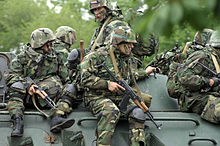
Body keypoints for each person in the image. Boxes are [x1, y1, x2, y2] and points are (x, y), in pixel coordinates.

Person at [80, 26, 155, 146]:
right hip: (96, 97)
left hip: (119, 97)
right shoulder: (97, 56)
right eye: (128, 44)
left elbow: (131, 75)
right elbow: (84, 78)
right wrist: (106, 84)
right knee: (111, 111)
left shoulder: (128, 59)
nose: (131, 47)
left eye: (132, 44)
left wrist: (145, 72)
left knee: (138, 112)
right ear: (117, 42)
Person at [4, 28, 76, 137]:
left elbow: (65, 78)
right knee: (16, 86)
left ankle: (57, 117)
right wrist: (29, 85)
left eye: (52, 44)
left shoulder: (56, 56)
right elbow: (9, 76)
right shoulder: (22, 58)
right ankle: (18, 121)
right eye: (49, 45)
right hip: (27, 96)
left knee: (71, 88)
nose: (52, 47)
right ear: (39, 45)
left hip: (50, 94)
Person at [167, 30, 220, 124]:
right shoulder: (203, 56)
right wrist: (208, 81)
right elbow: (184, 77)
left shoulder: (216, 58)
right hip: (193, 99)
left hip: (210, 96)